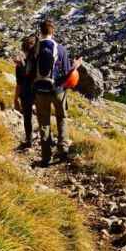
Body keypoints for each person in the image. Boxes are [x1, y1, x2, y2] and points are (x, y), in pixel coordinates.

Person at [33, 18, 82, 165]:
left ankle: (46, 157)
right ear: (53, 31)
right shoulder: (60, 49)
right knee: (61, 118)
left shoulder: (35, 48)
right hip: (57, 90)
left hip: (40, 91)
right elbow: (67, 73)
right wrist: (75, 66)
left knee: (44, 122)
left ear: (40, 31)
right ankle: (63, 151)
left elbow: (29, 71)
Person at [13, 34, 37, 150]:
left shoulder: (20, 65)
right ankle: (46, 139)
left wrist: (15, 99)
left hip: (26, 93)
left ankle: (29, 139)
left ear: (23, 49)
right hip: (39, 92)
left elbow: (19, 84)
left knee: (27, 117)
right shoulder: (38, 62)